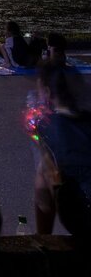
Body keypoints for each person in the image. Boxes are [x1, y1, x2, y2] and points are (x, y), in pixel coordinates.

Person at [28, 62, 91, 236]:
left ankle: (44, 241)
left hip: (84, 218)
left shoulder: (45, 126)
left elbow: (44, 195)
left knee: (43, 171)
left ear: (47, 93)